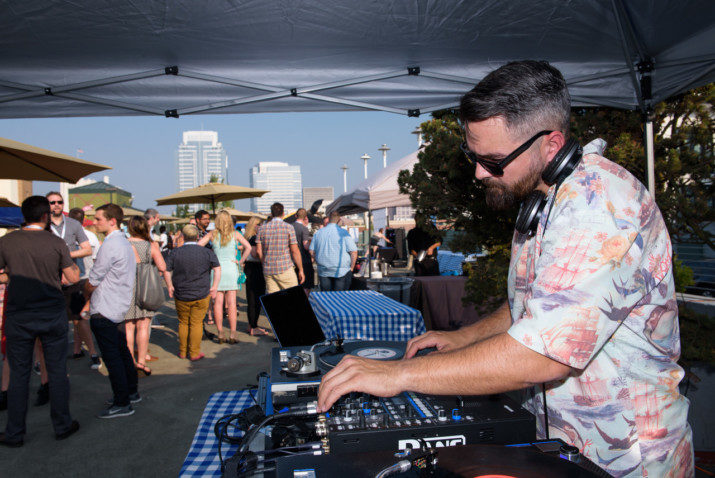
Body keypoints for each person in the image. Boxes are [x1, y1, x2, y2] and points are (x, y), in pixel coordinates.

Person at [317, 61, 693, 476]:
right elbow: (532, 307)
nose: (480, 172)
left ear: (551, 146)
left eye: (494, 161)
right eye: (473, 156)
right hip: (566, 445)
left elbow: (543, 354)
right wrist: (463, 339)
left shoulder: (599, 208)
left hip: (627, 459)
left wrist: (399, 375)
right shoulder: (544, 203)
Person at [0, 196, 80, 446]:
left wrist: (12, 275)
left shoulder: (7, 242)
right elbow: (73, 276)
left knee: (19, 373)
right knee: (56, 370)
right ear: (46, 216)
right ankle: (62, 424)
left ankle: (14, 432)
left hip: (19, 313)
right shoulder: (55, 242)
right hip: (51, 312)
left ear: (24, 216)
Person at [84, 203, 139, 418]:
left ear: (111, 221)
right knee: (121, 351)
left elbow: (95, 278)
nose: (95, 223)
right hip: (117, 303)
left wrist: (86, 291)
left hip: (106, 306)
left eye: (98, 219)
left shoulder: (111, 244)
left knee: (113, 356)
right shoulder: (122, 242)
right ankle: (130, 392)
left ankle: (122, 401)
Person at [46, 192, 100, 369]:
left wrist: (66, 255)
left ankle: (93, 353)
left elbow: (86, 250)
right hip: (49, 279)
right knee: (48, 321)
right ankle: (43, 360)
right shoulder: (43, 225)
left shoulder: (73, 224)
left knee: (80, 318)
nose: (56, 205)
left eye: (59, 202)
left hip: (72, 279)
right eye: (52, 202)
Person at [123, 216, 173, 376]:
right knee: (143, 325)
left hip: (126, 285)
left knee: (128, 326)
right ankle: (142, 361)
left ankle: (129, 361)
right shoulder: (150, 245)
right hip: (146, 286)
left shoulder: (124, 244)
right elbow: (162, 266)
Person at [166, 225, 220, 361]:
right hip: (201, 293)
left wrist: (169, 285)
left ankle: (183, 351)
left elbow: (166, 270)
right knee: (196, 323)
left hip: (181, 293)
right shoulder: (206, 252)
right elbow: (217, 268)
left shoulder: (175, 252)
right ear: (197, 237)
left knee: (183, 322)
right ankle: (194, 353)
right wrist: (214, 286)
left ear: (182, 237)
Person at [197, 210, 251, 344]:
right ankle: (233, 333)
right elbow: (248, 247)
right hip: (231, 268)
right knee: (232, 303)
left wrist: (208, 259)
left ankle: (220, 332)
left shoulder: (212, 234)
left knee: (218, 302)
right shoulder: (235, 234)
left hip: (216, 270)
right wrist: (241, 261)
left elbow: (198, 247)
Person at [67, 208, 101, 368]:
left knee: (80, 319)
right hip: (87, 278)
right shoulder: (92, 236)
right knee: (78, 319)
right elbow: (97, 260)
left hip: (77, 279)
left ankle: (93, 353)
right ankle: (77, 349)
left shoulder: (69, 235)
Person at [255, 203, 304, 293]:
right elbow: (295, 251)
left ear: (271, 214)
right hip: (285, 268)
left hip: (268, 269)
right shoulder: (288, 227)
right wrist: (300, 269)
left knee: (274, 301)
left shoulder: (262, 229)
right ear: (283, 213)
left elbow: (258, 251)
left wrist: (265, 263)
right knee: (293, 297)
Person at [310, 211, 358, 291]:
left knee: (326, 297)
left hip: (324, 269)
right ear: (339, 220)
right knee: (340, 298)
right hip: (341, 270)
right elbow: (353, 252)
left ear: (328, 219)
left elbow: (311, 251)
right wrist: (352, 268)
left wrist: (318, 259)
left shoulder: (318, 233)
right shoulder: (343, 233)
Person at [243, 217, 268, 336]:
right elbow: (254, 253)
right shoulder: (254, 238)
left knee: (252, 298)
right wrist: (265, 256)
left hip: (250, 267)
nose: (262, 226)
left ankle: (251, 325)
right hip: (255, 268)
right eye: (260, 224)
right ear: (254, 226)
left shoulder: (247, 237)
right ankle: (254, 326)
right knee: (256, 299)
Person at [292, 208, 314, 290]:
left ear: (295, 215)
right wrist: (312, 243)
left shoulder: (290, 227)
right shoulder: (304, 229)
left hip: (292, 259)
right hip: (303, 259)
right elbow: (305, 245)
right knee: (306, 284)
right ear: (305, 217)